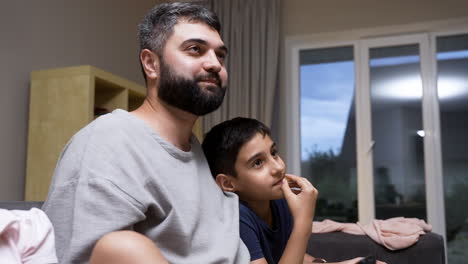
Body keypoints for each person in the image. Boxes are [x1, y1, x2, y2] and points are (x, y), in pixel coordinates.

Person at [42, 2, 249, 263]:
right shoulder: (108, 142)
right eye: (195, 50)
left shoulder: (195, 150)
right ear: (151, 64)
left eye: (220, 55)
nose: (214, 64)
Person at [201, 117, 384, 264]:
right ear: (228, 183)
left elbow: (295, 256)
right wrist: (303, 221)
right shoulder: (236, 217)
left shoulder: (279, 201)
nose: (278, 168)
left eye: (273, 153)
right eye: (258, 163)